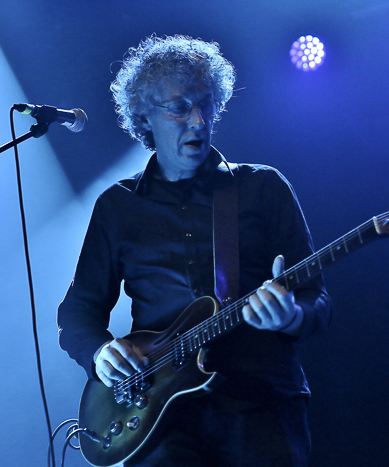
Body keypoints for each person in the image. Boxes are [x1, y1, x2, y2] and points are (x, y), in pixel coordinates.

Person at [57, 34, 331, 467]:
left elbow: (317, 297)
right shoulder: (118, 205)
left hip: (260, 404)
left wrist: (292, 316)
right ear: (144, 117)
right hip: (159, 419)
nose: (199, 121)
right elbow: (78, 313)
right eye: (180, 107)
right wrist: (99, 352)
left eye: (205, 104)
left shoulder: (263, 187)